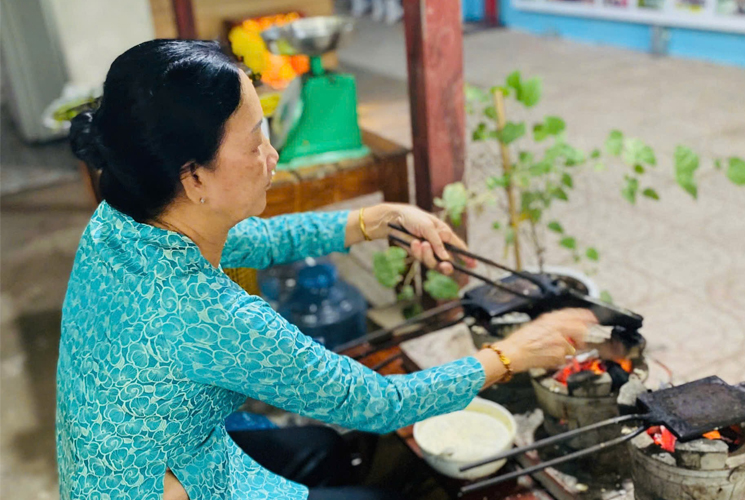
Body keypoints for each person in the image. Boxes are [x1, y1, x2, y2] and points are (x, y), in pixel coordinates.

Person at [59, 39, 596, 500]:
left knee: (321, 448)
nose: (273, 155)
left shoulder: (121, 221)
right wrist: (511, 354)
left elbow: (257, 239)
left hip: (138, 462)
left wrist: (374, 220)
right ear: (194, 178)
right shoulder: (210, 315)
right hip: (165, 483)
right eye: (255, 142)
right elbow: (380, 403)